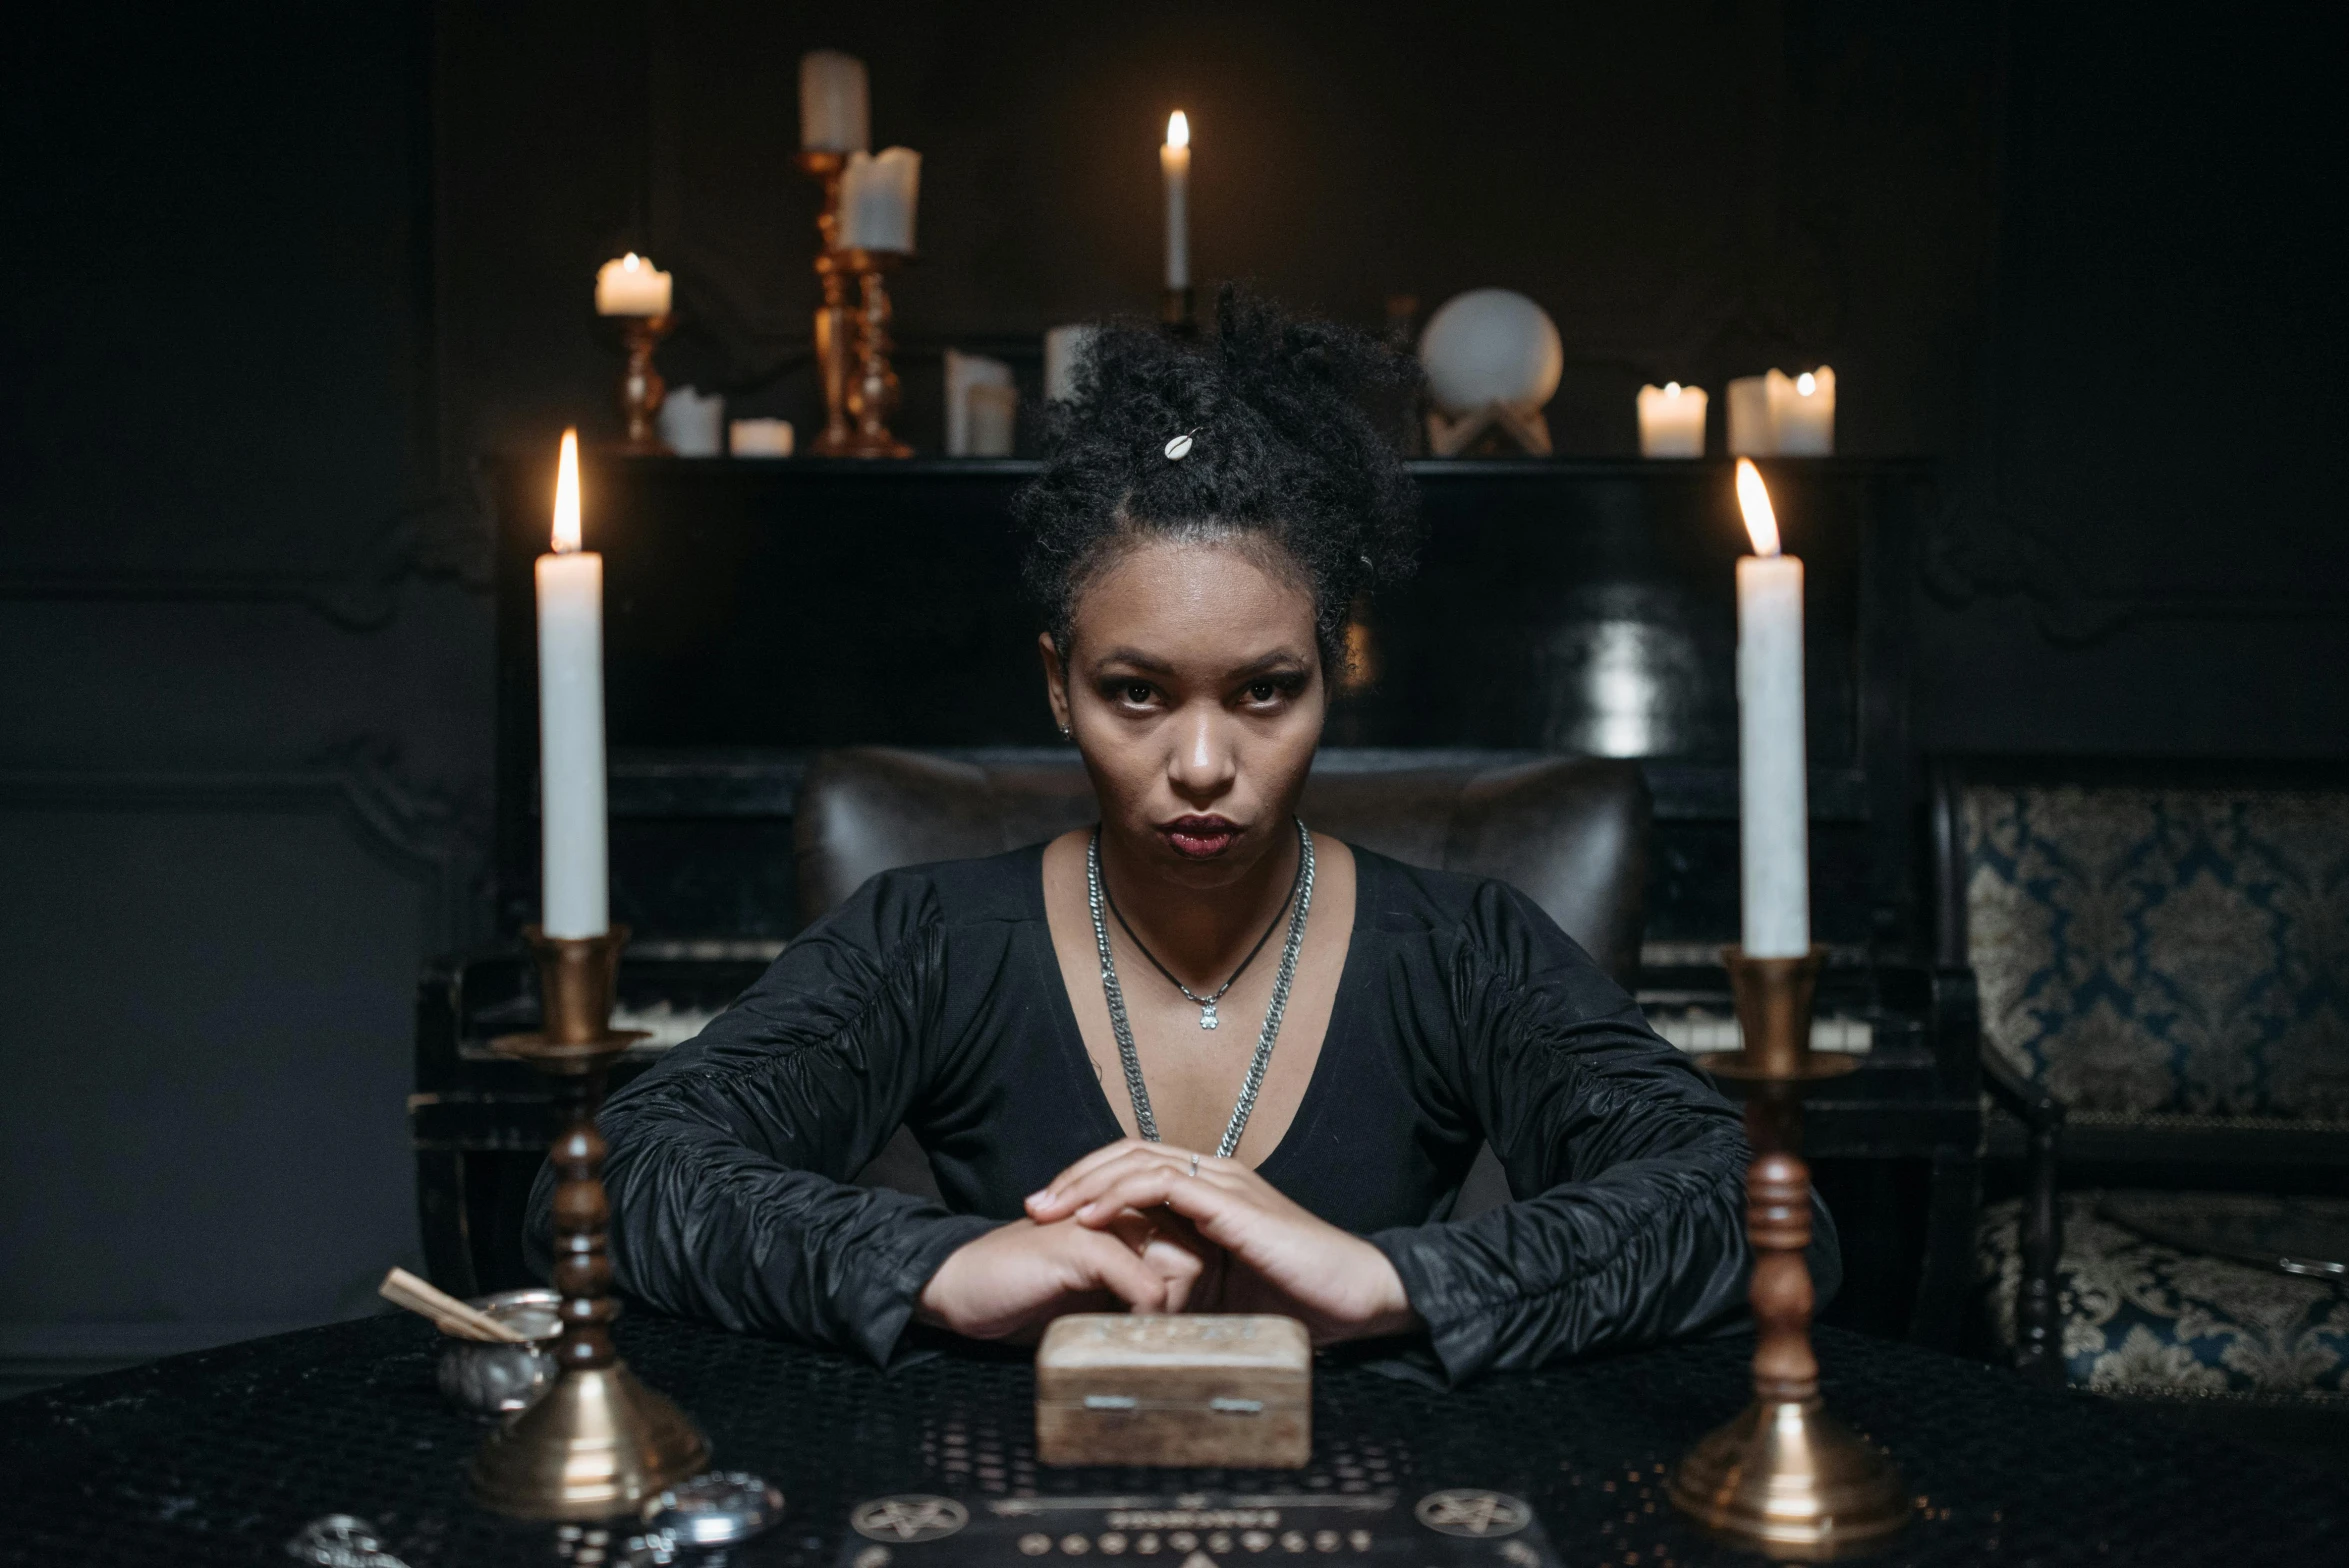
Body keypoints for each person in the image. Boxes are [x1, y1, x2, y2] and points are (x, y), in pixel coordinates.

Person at [530, 289, 1832, 1383]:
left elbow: (1764, 1212)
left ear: (1336, 671)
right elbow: (611, 1179)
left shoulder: (1464, 951)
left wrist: (1391, 1278)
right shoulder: (928, 940)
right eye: (1136, 693)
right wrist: (934, 1265)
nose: (1202, 766)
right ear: (1059, 685)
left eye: (1264, 691)